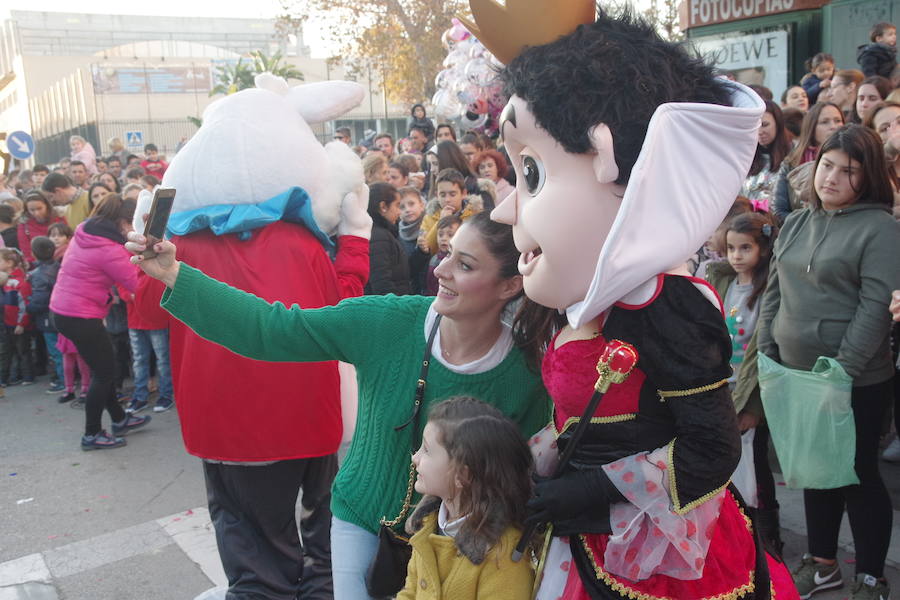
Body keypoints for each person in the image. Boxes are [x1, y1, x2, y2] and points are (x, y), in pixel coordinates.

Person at [127, 211, 550, 600]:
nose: (440, 271)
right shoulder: (387, 322)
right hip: (361, 519)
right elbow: (271, 328)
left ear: (510, 285)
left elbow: (520, 477)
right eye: (447, 256)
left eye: (465, 265)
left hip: (456, 540)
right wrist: (176, 276)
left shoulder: (529, 373)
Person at [758, 124, 899, 600]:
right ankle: (823, 566)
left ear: (868, 176)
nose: (833, 178)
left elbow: (876, 308)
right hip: (792, 375)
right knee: (811, 471)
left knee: (856, 475)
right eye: (828, 166)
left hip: (853, 381)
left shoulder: (880, 228)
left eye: (850, 171)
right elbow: (773, 293)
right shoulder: (797, 221)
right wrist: (766, 348)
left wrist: (841, 370)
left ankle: (872, 576)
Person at [397, 397, 535, 600]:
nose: (415, 457)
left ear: (463, 475)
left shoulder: (503, 553)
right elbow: (410, 592)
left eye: (427, 450)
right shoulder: (428, 523)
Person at [705, 211, 782, 552]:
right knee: (728, 463)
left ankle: (768, 537)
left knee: (756, 466)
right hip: (722, 386)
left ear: (762, 250)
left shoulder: (767, 290)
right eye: (732, 248)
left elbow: (764, 351)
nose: (736, 256)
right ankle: (734, 531)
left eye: (745, 248)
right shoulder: (723, 281)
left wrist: (753, 405)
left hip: (750, 389)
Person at [50, 194, 150, 450]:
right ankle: (91, 433)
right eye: (133, 224)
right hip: (80, 315)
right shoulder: (110, 249)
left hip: (65, 310)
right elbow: (138, 283)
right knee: (105, 373)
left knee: (102, 370)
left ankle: (119, 419)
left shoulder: (87, 230)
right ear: (123, 223)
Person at [772, 102, 845, 221]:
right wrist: (806, 226)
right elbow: (779, 210)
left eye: (837, 120)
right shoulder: (792, 162)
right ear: (811, 127)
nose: (833, 126)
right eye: (824, 122)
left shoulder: (853, 161)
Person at [120, 270, 174, 414]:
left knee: (162, 360)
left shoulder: (156, 261)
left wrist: (137, 296)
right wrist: (131, 296)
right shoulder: (127, 260)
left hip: (156, 321)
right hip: (135, 321)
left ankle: (165, 395)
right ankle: (140, 397)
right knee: (139, 361)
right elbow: (120, 284)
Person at [26, 236, 64, 393]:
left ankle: (62, 380)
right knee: (63, 349)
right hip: (61, 313)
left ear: (34, 253)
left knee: (56, 351)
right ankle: (66, 377)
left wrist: (28, 307)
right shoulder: (58, 267)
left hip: (48, 318)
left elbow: (40, 299)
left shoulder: (38, 274)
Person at [419, 169, 480, 255]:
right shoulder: (429, 217)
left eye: (452, 194)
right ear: (437, 195)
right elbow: (428, 248)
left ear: (463, 193)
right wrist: (440, 222)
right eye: (442, 195)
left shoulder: (474, 215)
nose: (447, 200)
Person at [365, 183, 410, 295]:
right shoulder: (379, 236)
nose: (400, 212)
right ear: (383, 206)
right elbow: (381, 283)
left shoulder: (384, 233)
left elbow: (400, 273)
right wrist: (396, 309)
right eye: (397, 205)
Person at [0, 248, 33, 386]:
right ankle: (6, 378)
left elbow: (25, 305)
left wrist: (21, 323)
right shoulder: (4, 281)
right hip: (7, 323)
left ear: (9, 263)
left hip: (18, 324)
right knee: (7, 352)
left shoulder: (20, 282)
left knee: (23, 351)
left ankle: (28, 377)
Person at [18, 192, 63, 265]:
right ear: (27, 210)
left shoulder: (59, 218)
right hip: (38, 264)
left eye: (39, 208)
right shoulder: (24, 225)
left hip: (61, 260)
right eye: (32, 210)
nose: (36, 213)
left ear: (47, 206)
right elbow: (26, 251)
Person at [425, 215, 461, 296]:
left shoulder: (459, 261)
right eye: (440, 234)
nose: (443, 238)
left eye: (450, 235)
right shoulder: (433, 258)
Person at [397, 186, 426, 256]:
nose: (407, 210)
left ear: (421, 206)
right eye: (402, 207)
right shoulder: (397, 235)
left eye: (411, 204)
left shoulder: (429, 226)